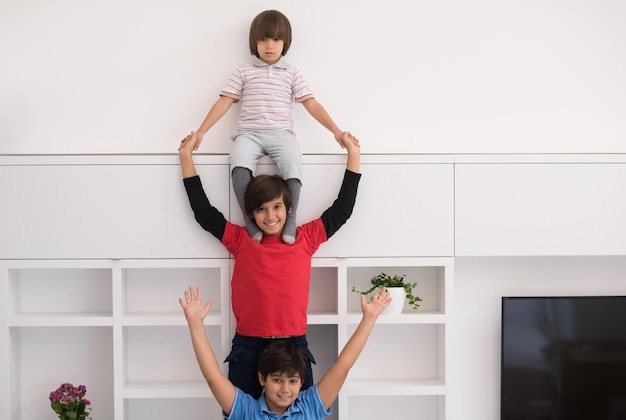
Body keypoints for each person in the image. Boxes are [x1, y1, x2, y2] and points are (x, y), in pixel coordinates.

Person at [178, 130, 361, 399]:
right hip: (249, 347)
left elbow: (342, 210)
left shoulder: (305, 238)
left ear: (289, 208)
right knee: (239, 414)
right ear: (251, 212)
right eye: (261, 209)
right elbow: (204, 213)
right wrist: (186, 157)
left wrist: (353, 155)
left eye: (276, 207)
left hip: (294, 345)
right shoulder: (241, 240)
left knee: (303, 415)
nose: (270, 215)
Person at [181, 9, 359, 244]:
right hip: (249, 135)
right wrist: (201, 131)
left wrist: (336, 131)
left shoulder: (292, 74)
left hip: (281, 134)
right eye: (263, 39)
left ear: (285, 42)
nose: (269, 45)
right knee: (238, 167)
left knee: (293, 165)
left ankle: (290, 219)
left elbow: (311, 104)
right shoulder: (243, 72)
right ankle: (250, 219)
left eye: (276, 39)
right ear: (254, 42)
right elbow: (224, 102)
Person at [179, 285, 391, 419]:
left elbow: (343, 365)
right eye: (278, 380)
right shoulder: (247, 411)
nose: (285, 389)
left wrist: (369, 318)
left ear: (301, 382)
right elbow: (213, 378)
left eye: (293, 381)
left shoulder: (310, 406)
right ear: (262, 378)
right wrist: (195, 324)